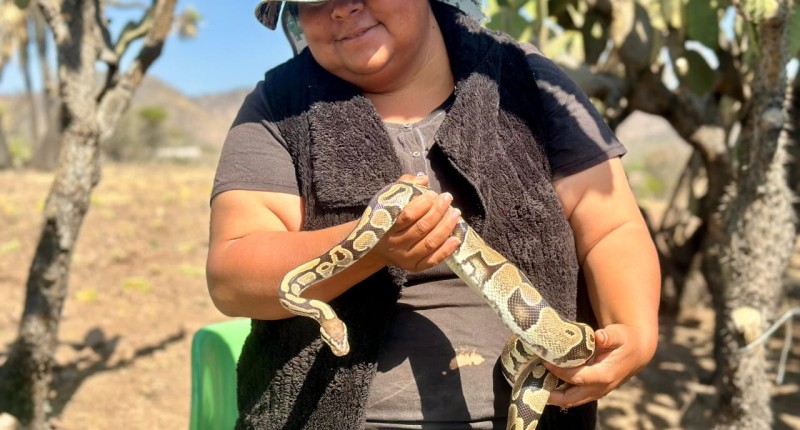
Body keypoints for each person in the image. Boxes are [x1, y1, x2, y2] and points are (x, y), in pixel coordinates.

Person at [205, 0, 660, 429]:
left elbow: (611, 224)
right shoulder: (277, 109)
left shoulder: (525, 80)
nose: (341, 7)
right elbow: (232, 275)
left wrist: (635, 333)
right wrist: (374, 249)